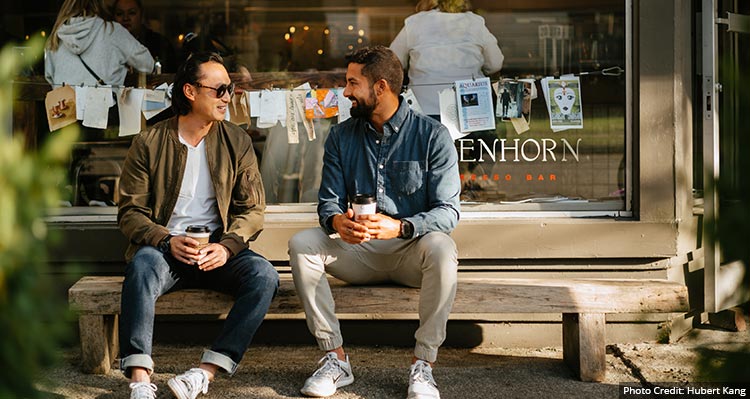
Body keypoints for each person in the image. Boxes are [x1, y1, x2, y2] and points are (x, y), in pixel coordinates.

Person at [288, 45, 461, 399]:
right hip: (356, 253)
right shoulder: (341, 137)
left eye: (353, 83)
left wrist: (400, 227)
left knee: (443, 248)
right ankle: (335, 359)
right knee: (301, 244)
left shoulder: (432, 136)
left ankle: (423, 366)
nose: (346, 91)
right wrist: (337, 222)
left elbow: (448, 212)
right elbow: (328, 203)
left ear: (380, 87)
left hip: (411, 253)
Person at [117, 52, 279, 399]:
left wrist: (227, 246)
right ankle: (140, 378)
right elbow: (130, 213)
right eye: (219, 89)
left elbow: (253, 210)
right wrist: (165, 239)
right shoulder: (150, 142)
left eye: (230, 89)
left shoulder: (237, 141)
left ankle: (205, 373)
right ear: (190, 91)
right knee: (143, 265)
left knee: (264, 276)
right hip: (166, 252)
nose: (227, 97)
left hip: (217, 251)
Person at [389, 0, 504, 118]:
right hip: (470, 107)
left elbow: (393, 62)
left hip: (424, 107)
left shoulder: (414, 22)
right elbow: (495, 63)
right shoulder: (475, 22)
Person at [44, 0, 154, 87]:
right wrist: (122, 66)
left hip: (66, 110)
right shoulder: (112, 31)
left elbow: (49, 77)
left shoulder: (55, 37)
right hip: (103, 110)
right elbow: (147, 64)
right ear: (99, 5)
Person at [113, 0, 177, 73]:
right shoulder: (107, 44)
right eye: (119, 14)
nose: (125, 18)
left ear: (142, 16)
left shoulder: (159, 43)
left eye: (131, 13)